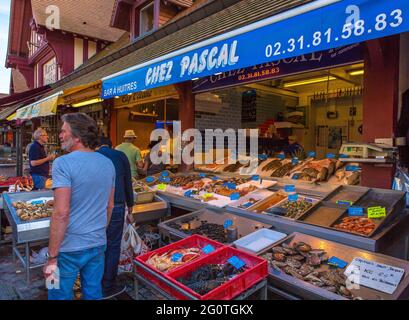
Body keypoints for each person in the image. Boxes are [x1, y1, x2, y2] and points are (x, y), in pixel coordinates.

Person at [44, 113, 116, 300]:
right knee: (93, 293)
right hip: (98, 243)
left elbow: (61, 213)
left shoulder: (62, 163)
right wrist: (98, 231)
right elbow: (109, 206)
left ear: (77, 136)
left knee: (57, 293)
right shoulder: (108, 163)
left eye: (63, 131)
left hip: (68, 248)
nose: (60, 135)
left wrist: (51, 257)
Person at [96, 136, 134, 299]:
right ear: (112, 145)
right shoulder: (120, 156)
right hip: (118, 205)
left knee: (97, 245)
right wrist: (130, 206)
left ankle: (94, 282)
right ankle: (108, 285)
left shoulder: (94, 156)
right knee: (112, 246)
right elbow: (128, 182)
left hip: (96, 207)